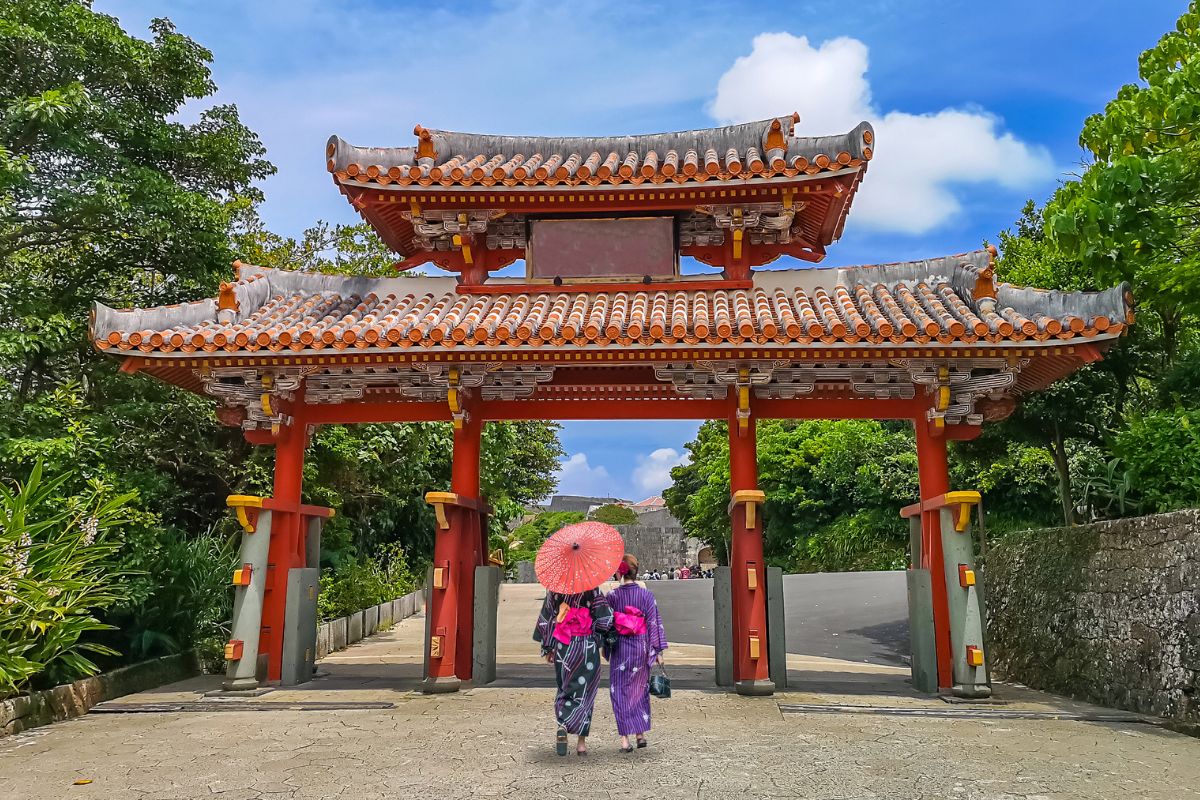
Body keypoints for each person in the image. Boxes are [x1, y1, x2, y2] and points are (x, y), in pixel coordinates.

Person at [534, 586, 613, 756]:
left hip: (564, 645)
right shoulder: (592, 589)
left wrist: (548, 647)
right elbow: (605, 620)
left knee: (564, 686)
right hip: (586, 646)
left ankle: (562, 724)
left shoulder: (556, 589)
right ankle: (581, 744)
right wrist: (597, 637)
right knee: (586, 691)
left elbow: (546, 619)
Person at [606, 554, 668, 752]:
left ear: (620, 572)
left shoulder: (612, 597)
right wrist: (657, 650)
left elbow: (606, 625)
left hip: (621, 649)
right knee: (639, 689)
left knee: (620, 691)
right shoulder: (646, 596)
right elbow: (653, 622)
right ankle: (640, 734)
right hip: (641, 647)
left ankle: (625, 740)